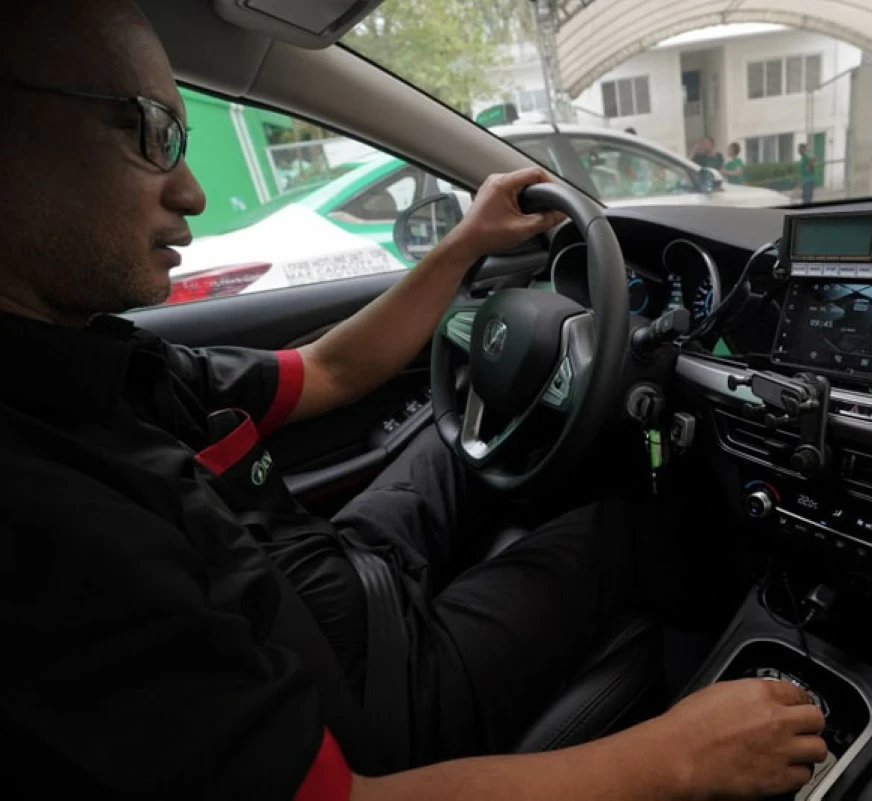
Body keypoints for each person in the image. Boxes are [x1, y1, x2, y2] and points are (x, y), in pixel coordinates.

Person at [0, 2, 828, 799]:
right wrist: (678, 758)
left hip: (332, 581)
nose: (191, 190)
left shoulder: (104, 362)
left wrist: (465, 242)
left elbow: (327, 370)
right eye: (150, 131)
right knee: (629, 527)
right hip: (378, 699)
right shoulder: (46, 522)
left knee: (462, 436)